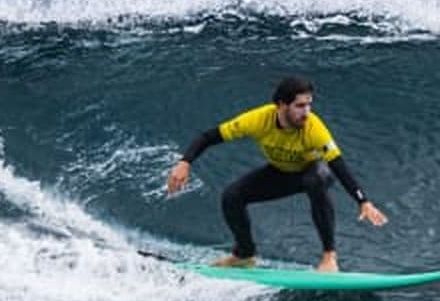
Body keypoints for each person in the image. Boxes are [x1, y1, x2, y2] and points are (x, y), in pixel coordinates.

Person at [166, 76, 388, 272]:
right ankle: (244, 255)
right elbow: (209, 137)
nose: (307, 112)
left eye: (309, 105)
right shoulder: (258, 120)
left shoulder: (314, 128)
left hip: (315, 170)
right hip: (282, 173)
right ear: (281, 104)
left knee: (316, 179)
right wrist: (185, 162)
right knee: (232, 196)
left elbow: (338, 165)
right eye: (300, 106)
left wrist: (363, 201)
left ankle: (329, 257)